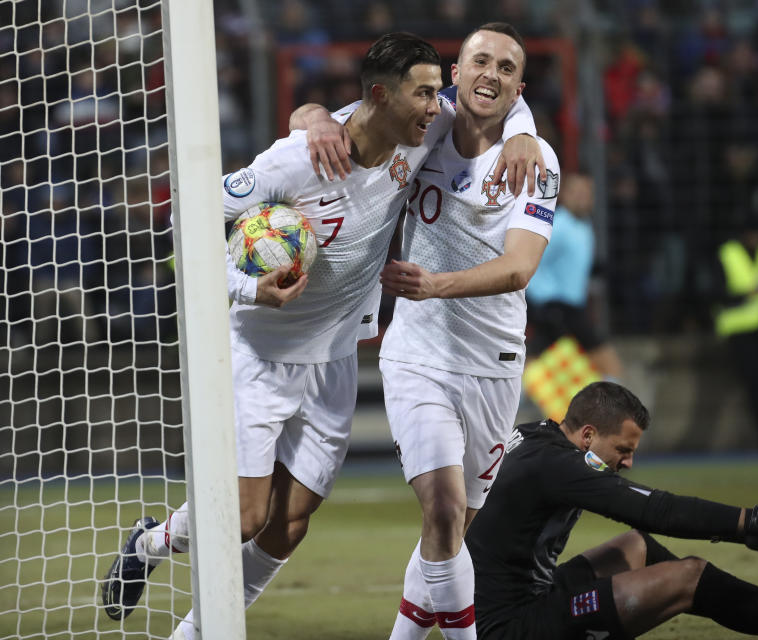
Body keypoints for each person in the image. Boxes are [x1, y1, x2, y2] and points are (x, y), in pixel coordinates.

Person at [100, 32, 542, 638]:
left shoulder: (422, 132)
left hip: (333, 358)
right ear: (383, 96)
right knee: (245, 517)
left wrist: (524, 128)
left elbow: (487, 95)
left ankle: (192, 629)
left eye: (439, 94)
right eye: (425, 94)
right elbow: (186, 214)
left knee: (289, 526)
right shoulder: (300, 158)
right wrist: (249, 287)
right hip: (260, 352)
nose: (436, 106)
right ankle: (154, 544)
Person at [466, 380, 758, 640]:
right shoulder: (558, 465)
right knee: (687, 577)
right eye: (622, 449)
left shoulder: (537, 438)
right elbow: (660, 511)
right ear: (587, 434)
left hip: (516, 602)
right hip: (511, 629)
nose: (627, 463)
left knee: (636, 548)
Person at [374, 23, 558, 640]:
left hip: (494, 362)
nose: (491, 75)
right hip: (417, 351)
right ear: (455, 72)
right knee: (445, 507)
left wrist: (435, 283)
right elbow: (345, 115)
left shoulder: (537, 160)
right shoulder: (423, 125)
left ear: (519, 87)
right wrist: (315, 118)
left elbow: (519, 268)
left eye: (507, 69)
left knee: (453, 530)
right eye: (480, 61)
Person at [525, 172, 624, 380]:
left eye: (587, 193)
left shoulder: (584, 225)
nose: (582, 197)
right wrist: (539, 302)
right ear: (564, 195)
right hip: (555, 307)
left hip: (571, 307)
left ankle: (519, 395)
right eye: (576, 192)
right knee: (607, 360)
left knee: (536, 358)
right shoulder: (557, 225)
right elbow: (531, 262)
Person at [712, 215, 758, 449]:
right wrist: (745, 294)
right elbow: (717, 292)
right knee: (756, 384)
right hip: (741, 329)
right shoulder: (728, 254)